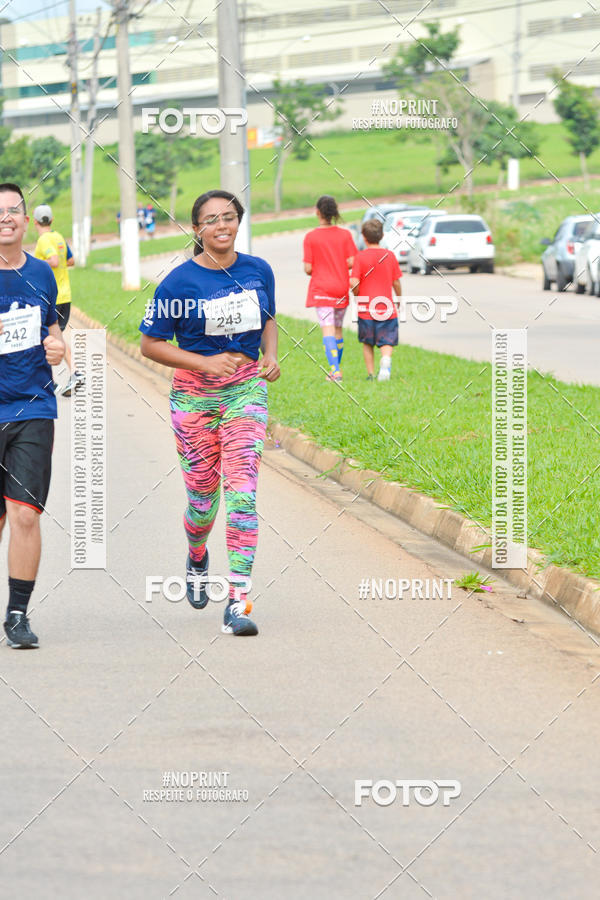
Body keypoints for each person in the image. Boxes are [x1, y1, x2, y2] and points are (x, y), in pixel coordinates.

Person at [139, 189, 280, 636]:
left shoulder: (259, 271)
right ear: (197, 229)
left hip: (244, 394)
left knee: (242, 493)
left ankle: (238, 602)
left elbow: (269, 319)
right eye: (212, 219)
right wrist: (204, 363)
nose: (222, 226)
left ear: (239, 220)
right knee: (203, 500)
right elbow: (150, 344)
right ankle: (197, 554)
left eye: (230, 217)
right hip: (194, 399)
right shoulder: (178, 284)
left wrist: (270, 357)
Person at [0, 183, 65, 649]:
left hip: (33, 406)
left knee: (24, 514)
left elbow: (53, 328)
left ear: (27, 221)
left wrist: (58, 347)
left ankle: (18, 615)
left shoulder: (42, 273)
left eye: (13, 211)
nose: (5, 217)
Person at [303, 195, 356, 383]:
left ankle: (335, 371)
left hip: (322, 290)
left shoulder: (310, 237)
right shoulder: (346, 235)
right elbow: (352, 261)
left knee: (327, 330)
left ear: (317, 212)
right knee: (339, 330)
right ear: (334, 213)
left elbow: (308, 268)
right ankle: (335, 370)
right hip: (341, 288)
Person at [33, 204, 83, 397]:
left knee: (47, 338)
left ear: (34, 222)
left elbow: (53, 261)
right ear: (52, 220)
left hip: (50, 298)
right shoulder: (59, 237)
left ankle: (70, 374)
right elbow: (70, 261)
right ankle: (57, 379)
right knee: (54, 337)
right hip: (65, 295)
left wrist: (34, 262)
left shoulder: (43, 240)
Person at [350, 218, 401, 382]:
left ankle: (371, 374)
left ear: (363, 237)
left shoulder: (360, 257)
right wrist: (399, 298)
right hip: (386, 307)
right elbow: (396, 281)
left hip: (366, 309)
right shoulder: (390, 256)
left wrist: (356, 293)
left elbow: (354, 282)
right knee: (387, 340)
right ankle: (385, 361)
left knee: (368, 343)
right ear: (382, 235)